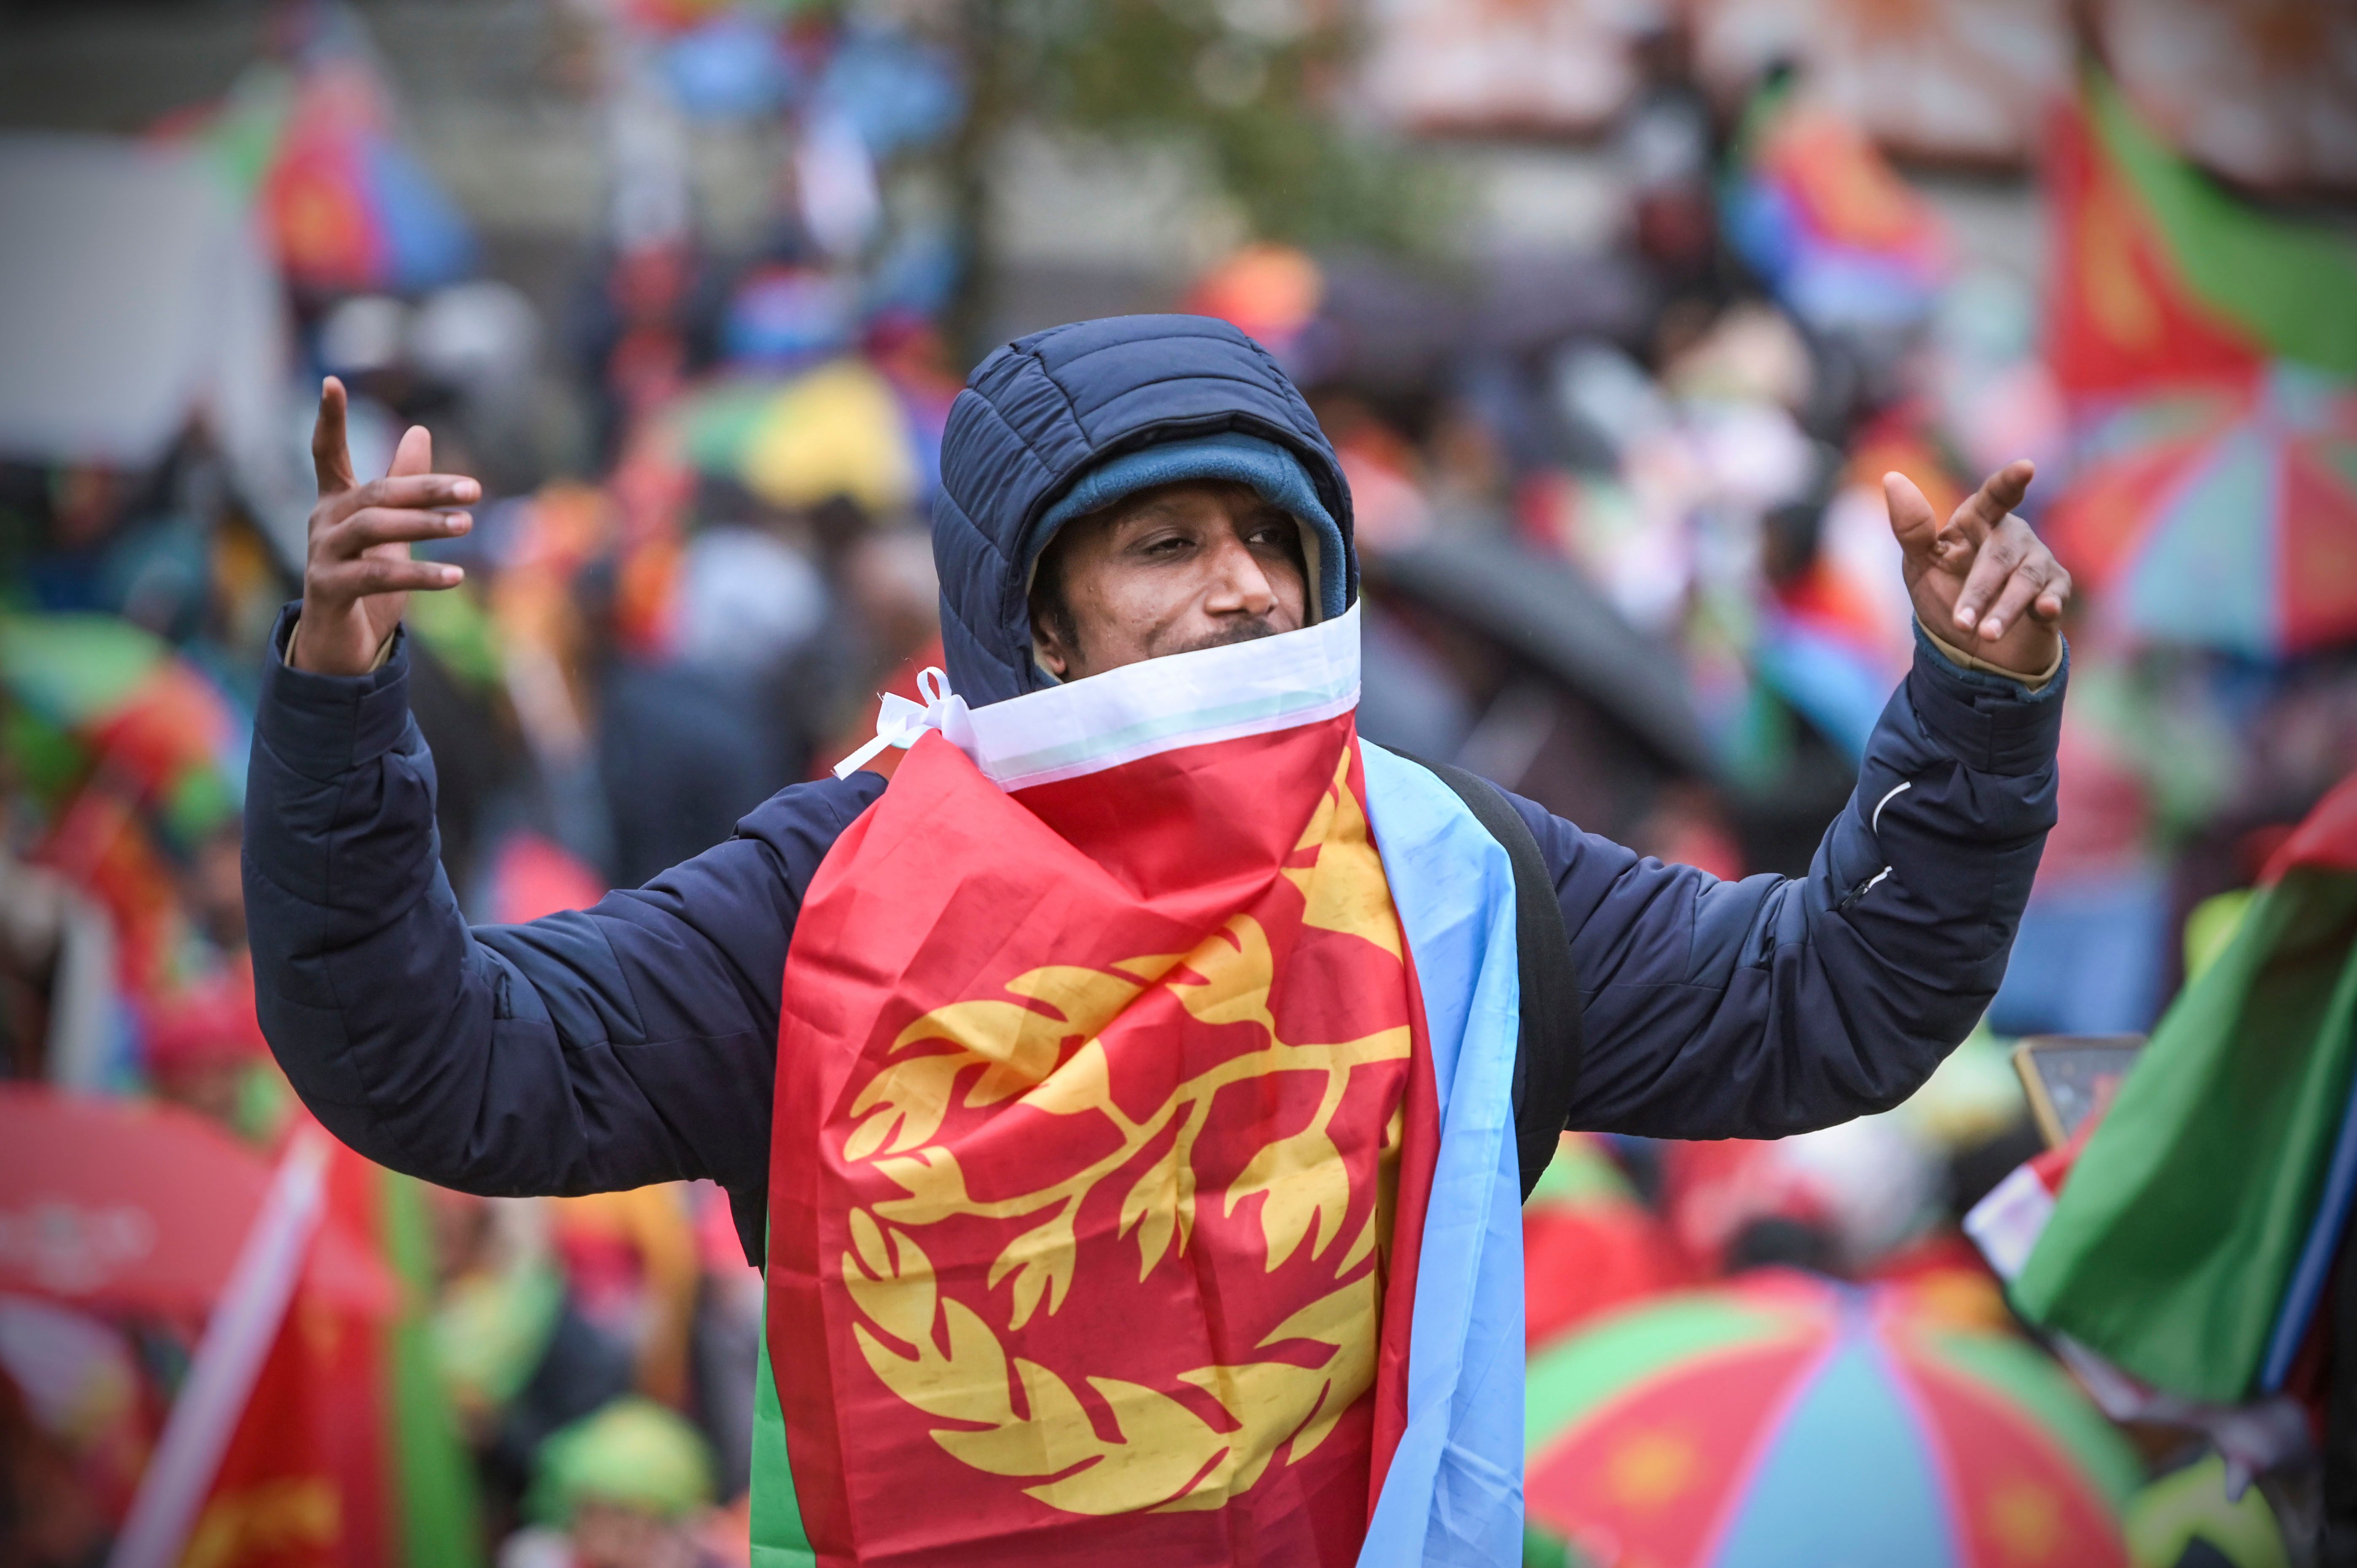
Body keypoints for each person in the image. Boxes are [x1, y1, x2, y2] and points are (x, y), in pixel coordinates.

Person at [246, 314, 2069, 1562]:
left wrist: (1980, 708)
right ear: (1033, 614)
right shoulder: (824, 902)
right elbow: (444, 1064)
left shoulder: (1454, 879)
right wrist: (340, 693)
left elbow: (1829, 1008)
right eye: (1167, 545)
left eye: (1276, 538)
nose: (1247, 588)